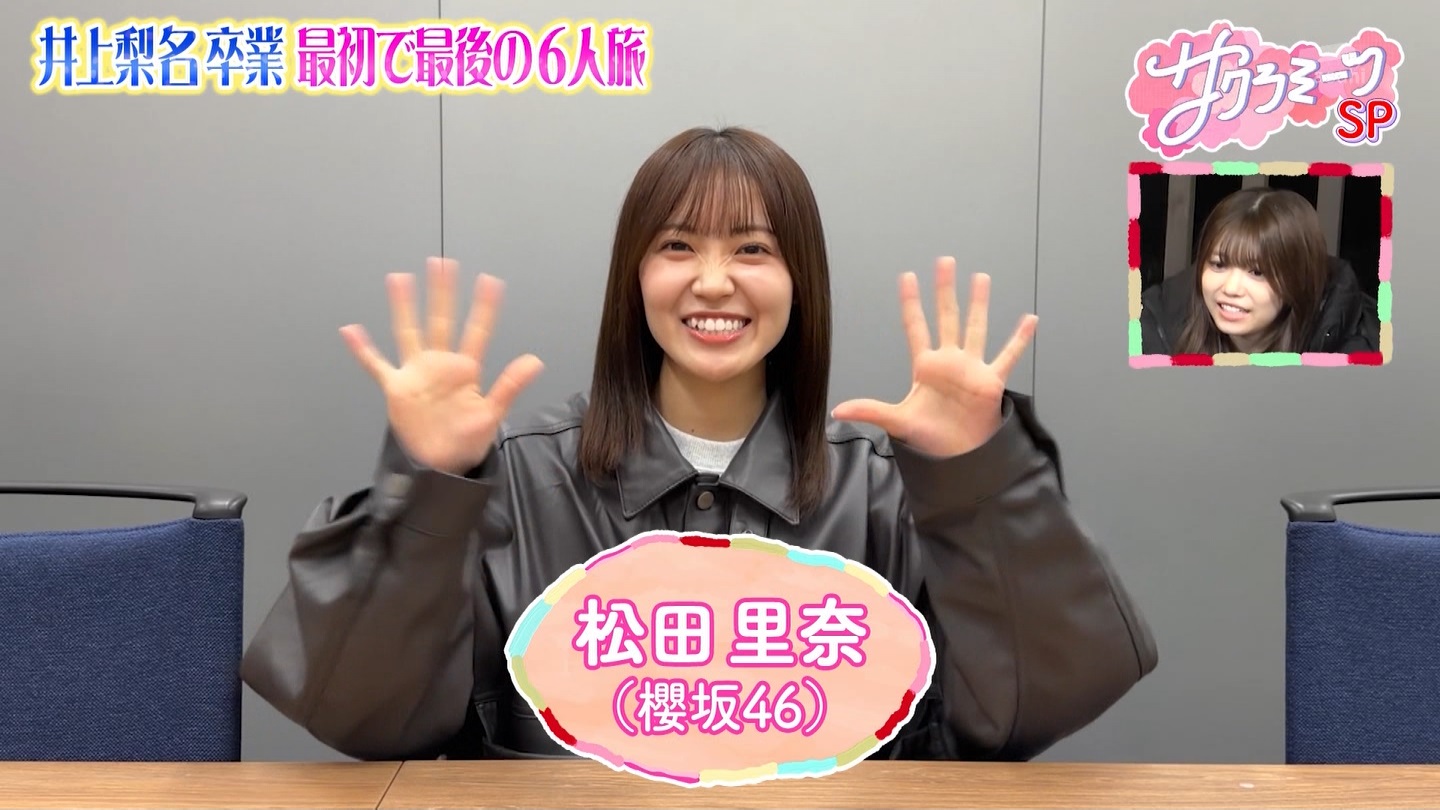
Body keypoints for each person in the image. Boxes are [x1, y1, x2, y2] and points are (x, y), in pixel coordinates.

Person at [241, 126, 1157, 763]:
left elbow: (1034, 709)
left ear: (799, 281)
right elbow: (365, 719)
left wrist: (977, 477)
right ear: (634, 277)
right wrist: (429, 489)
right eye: (677, 245)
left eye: (753, 249)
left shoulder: (886, 490)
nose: (714, 281)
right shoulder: (516, 476)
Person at [1140, 187, 1380, 355]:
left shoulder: (1358, 353)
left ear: (1298, 279)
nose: (1231, 288)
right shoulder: (1154, 328)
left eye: (1257, 273)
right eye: (1219, 265)